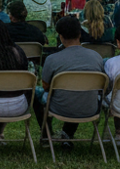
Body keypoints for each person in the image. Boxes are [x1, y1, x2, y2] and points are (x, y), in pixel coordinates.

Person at [33, 16, 104, 150]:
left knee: (36, 93)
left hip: (60, 107)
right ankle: (67, 134)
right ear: (79, 34)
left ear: (60, 37)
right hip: (90, 107)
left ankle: (46, 134)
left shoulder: (52, 59)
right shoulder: (96, 57)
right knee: (78, 91)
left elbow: (46, 86)